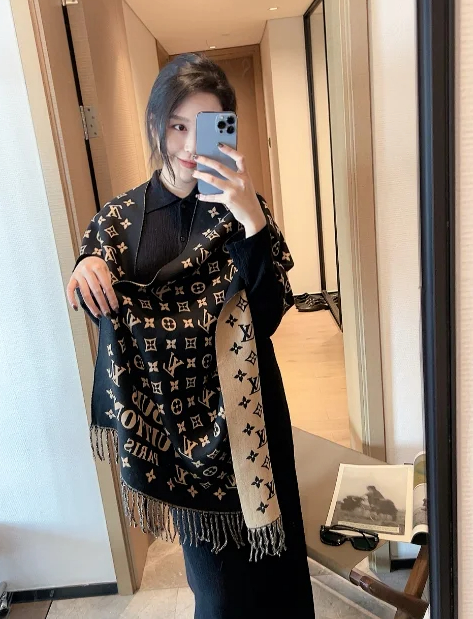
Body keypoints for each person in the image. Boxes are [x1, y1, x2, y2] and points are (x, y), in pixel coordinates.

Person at [67, 53, 315, 619]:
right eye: (177, 126)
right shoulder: (121, 220)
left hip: (252, 415)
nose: (188, 146)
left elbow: (270, 315)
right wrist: (86, 268)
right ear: (157, 125)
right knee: (220, 594)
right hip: (182, 434)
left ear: (225, 129)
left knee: (280, 570)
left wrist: (251, 220)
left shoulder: (242, 206)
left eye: (203, 128)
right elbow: (103, 311)